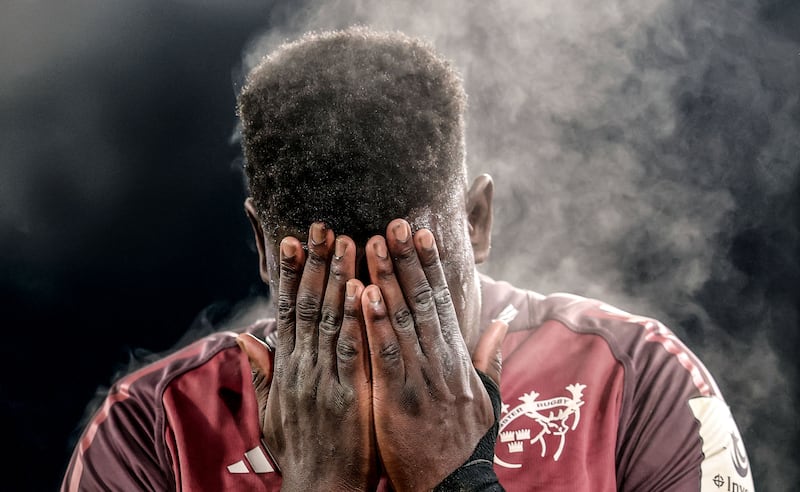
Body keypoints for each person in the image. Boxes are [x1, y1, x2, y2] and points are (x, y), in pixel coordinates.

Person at [61, 27, 755, 491]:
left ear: (475, 221)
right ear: (263, 251)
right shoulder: (151, 426)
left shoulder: (637, 381)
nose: (374, 333)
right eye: (324, 291)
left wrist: (461, 480)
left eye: (412, 282)